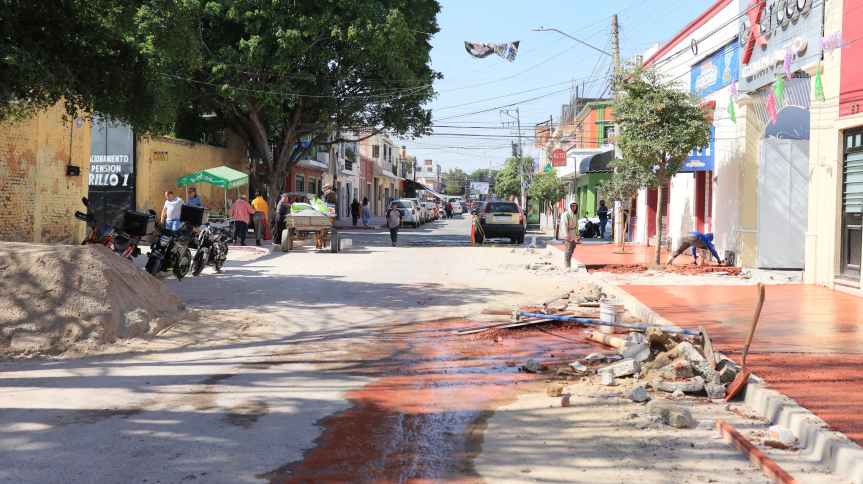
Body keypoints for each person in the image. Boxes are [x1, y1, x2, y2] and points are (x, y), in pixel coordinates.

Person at [559, 201, 580, 270]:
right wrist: (566, 235)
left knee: (572, 248)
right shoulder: (566, 214)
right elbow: (564, 225)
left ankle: (569, 262)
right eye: (572, 206)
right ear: (570, 206)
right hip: (568, 233)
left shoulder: (574, 215)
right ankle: (567, 265)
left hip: (574, 233)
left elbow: (576, 226)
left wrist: (577, 235)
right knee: (568, 249)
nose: (574, 207)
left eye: (575, 206)